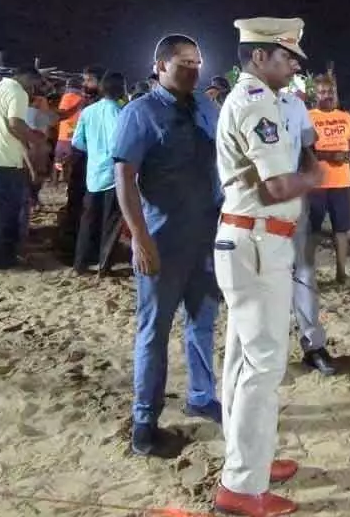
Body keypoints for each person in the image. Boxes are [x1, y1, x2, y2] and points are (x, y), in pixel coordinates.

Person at [212, 18, 322, 516]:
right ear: (258, 57)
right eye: (286, 56)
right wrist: (315, 175)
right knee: (262, 364)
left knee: (241, 359)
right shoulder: (258, 104)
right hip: (259, 244)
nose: (295, 64)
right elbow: (277, 188)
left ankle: (247, 459)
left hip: (247, 240)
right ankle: (241, 485)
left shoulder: (263, 100)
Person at [112, 36, 224, 455]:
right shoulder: (139, 113)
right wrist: (139, 238)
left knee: (202, 322)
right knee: (154, 331)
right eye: (183, 62)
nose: (193, 69)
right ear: (159, 65)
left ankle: (201, 396)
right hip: (162, 238)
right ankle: (145, 419)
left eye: (197, 61)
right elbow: (125, 178)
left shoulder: (208, 109)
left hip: (207, 239)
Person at [281, 84, 339, 375]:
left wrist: (309, 176)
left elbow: (307, 147)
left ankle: (313, 346)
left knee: (303, 274)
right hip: (255, 208)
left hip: (294, 203)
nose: (291, 66)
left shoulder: (294, 105)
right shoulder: (239, 103)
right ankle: (268, 352)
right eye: (285, 58)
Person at [0, 66, 45, 268]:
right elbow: (14, 124)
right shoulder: (17, 92)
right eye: (34, 85)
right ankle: (4, 257)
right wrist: (34, 139)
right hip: (4, 160)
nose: (33, 91)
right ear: (27, 79)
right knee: (5, 211)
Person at [306, 73, 350, 283]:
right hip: (316, 184)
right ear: (316, 94)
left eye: (330, 92)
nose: (327, 96)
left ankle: (341, 272)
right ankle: (307, 273)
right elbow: (305, 151)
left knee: (341, 230)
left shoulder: (346, 117)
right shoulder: (308, 117)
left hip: (342, 182)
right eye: (322, 92)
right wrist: (331, 155)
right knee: (312, 230)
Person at [71, 71, 126, 274]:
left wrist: (94, 152)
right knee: (110, 221)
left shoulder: (88, 111)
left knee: (88, 220)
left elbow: (77, 141)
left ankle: (80, 263)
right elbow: (118, 144)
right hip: (113, 174)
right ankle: (104, 265)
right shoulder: (120, 112)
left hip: (93, 173)